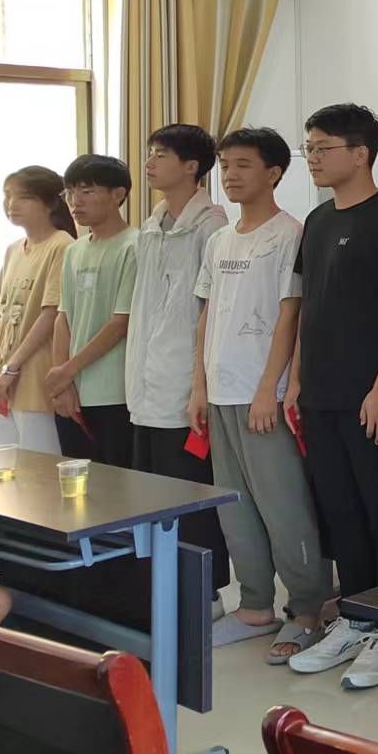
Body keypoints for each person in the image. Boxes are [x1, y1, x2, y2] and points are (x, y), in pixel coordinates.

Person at [285, 104, 378, 690]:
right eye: (309, 148)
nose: (313, 158)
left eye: (323, 148)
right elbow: (309, 307)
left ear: (360, 154)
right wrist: (295, 377)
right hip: (319, 391)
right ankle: (357, 616)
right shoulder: (317, 221)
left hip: (370, 394)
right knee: (339, 510)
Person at [189, 128, 333, 665]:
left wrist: (269, 389)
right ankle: (253, 605)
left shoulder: (289, 235)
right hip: (220, 391)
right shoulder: (219, 240)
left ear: (273, 173)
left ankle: (307, 608)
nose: (230, 175)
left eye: (243, 165)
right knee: (234, 505)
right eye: (225, 165)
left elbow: (291, 316)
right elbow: (207, 315)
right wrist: (199, 386)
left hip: (261, 394)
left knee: (283, 504)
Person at [128, 124, 230, 598]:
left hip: (186, 382)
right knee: (152, 492)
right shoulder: (151, 227)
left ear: (191, 166)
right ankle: (163, 589)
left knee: (190, 492)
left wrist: (198, 384)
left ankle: (205, 592)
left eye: (161, 155)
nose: (150, 163)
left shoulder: (211, 227)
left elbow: (209, 312)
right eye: (150, 153)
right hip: (146, 379)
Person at [48, 155, 139, 463]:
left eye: (87, 191)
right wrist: (62, 382)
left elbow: (120, 323)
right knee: (76, 479)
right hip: (71, 390)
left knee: (115, 481)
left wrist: (67, 371)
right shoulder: (74, 250)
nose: (75, 201)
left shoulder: (134, 245)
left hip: (115, 392)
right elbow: (63, 317)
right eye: (70, 192)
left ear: (118, 194)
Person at [0, 167, 76, 454]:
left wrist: (12, 367)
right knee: (6, 466)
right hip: (5, 376)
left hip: (36, 375)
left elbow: (50, 314)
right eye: (8, 195)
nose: (11, 204)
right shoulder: (13, 249)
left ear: (50, 202)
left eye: (24, 197)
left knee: (39, 465)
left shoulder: (62, 245)